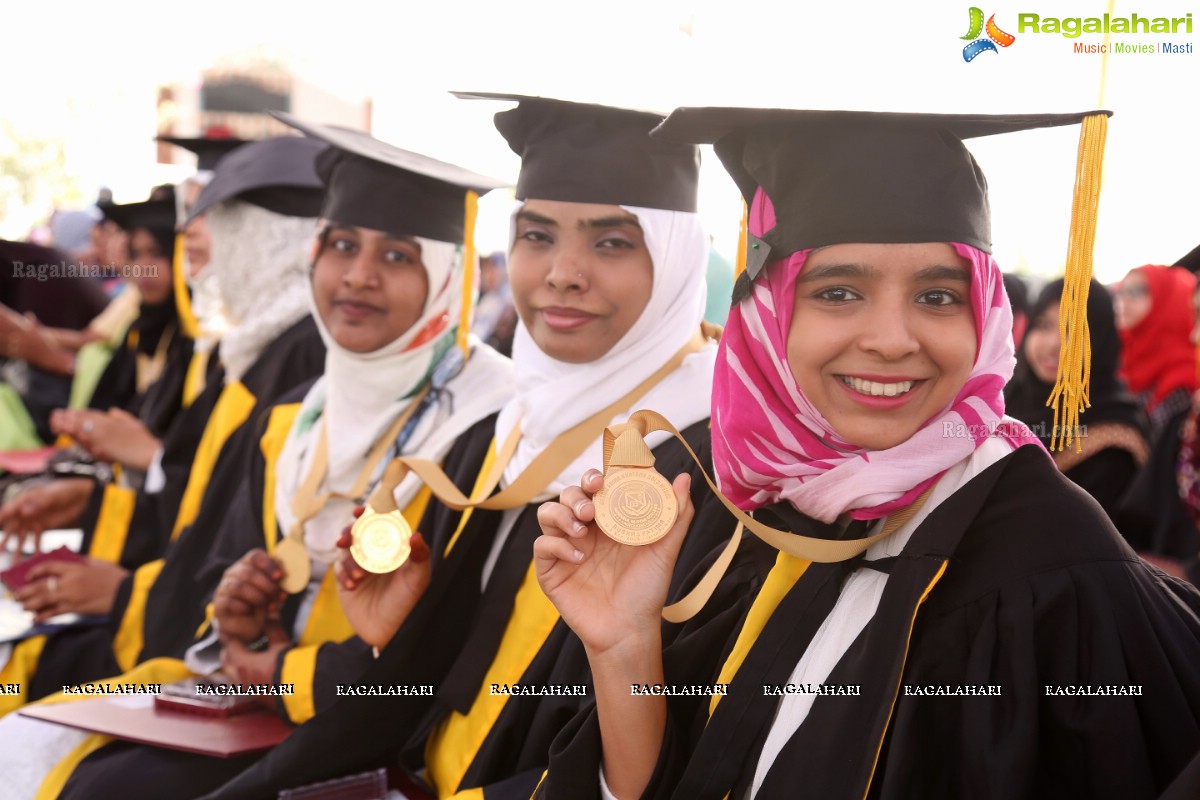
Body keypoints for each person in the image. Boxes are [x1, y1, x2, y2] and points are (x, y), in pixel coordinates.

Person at [534, 107, 1200, 799]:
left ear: (986, 312)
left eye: (939, 296)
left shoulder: (1052, 565)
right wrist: (623, 649)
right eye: (840, 292)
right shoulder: (762, 498)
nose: (892, 338)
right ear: (766, 313)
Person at [202, 95, 737, 800]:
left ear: (675, 261)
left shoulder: (708, 473)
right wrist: (391, 639)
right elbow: (419, 694)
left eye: (612, 242)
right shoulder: (497, 441)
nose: (561, 273)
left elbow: (685, 753)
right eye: (537, 236)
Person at [5, 116, 516, 800]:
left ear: (449, 276)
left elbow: (430, 657)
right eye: (341, 246)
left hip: (363, 731)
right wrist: (239, 612)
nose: (359, 276)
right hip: (255, 700)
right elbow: (222, 556)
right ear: (311, 256)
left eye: (397, 256)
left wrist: (278, 667)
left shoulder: (488, 424)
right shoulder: (302, 407)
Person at [0, 136, 329, 714]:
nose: (196, 235)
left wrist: (128, 594)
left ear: (275, 242)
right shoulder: (242, 350)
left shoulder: (298, 360)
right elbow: (198, 508)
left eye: (217, 220)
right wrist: (91, 503)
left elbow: (236, 542)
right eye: (191, 216)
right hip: (169, 609)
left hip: (218, 654)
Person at [1005, 278, 1148, 519]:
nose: (1054, 344)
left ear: (1100, 341)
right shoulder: (1010, 397)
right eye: (1043, 325)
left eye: (1074, 331)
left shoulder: (1114, 437)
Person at [1115, 264, 1197, 438]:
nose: (1126, 299)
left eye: (1138, 290)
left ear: (1168, 299)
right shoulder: (1122, 356)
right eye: (1123, 290)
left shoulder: (1182, 380)